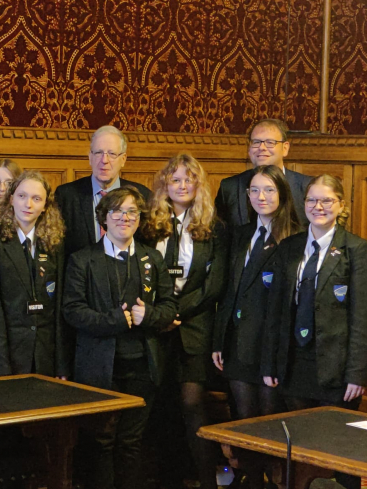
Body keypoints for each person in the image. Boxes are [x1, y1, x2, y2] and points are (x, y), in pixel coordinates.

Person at [262, 174, 367, 489]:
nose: (318, 206)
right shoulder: (290, 247)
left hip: (336, 369)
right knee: (300, 452)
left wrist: (357, 373)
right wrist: (270, 364)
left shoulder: (357, 249)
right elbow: (275, 312)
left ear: (341, 205)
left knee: (341, 451)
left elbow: (364, 316)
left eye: (327, 200)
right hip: (293, 365)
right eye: (312, 200)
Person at [63, 186, 178, 489]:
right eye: (117, 211)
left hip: (143, 366)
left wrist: (149, 316)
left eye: (132, 212)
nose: (124, 218)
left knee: (131, 441)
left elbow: (169, 307)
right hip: (101, 366)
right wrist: (114, 320)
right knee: (101, 440)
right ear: (104, 217)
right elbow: (72, 311)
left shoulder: (151, 258)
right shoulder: (82, 260)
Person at [140, 153, 227, 489]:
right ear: (165, 184)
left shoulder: (214, 228)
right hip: (155, 328)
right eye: (175, 179)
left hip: (194, 327)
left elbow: (214, 285)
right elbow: (140, 274)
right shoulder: (149, 224)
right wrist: (160, 314)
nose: (182, 185)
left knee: (192, 404)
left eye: (189, 179)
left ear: (198, 185)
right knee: (160, 406)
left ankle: (207, 481)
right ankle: (167, 478)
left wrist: (177, 313)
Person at [213, 165, 301, 489]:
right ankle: (249, 479)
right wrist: (219, 341)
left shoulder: (294, 238)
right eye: (254, 190)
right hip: (237, 345)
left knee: (269, 423)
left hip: (269, 348)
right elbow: (229, 291)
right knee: (244, 420)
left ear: (282, 194)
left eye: (269, 190)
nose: (261, 197)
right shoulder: (241, 235)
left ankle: (267, 481)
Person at [0, 170, 69, 378]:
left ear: (45, 206)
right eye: (22, 196)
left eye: (36, 199)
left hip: (46, 357)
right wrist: (0, 369)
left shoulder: (53, 244)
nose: (28, 204)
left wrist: (61, 365)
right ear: (11, 199)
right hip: (9, 358)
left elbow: (59, 306)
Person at [55, 125, 151, 258]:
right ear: (90, 157)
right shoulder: (66, 196)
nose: (104, 160)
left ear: (123, 159)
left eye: (111, 154)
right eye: (98, 153)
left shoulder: (142, 195)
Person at [215, 119, 312, 228]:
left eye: (270, 142)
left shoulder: (307, 187)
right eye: (256, 142)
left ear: (285, 148)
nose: (262, 148)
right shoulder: (229, 187)